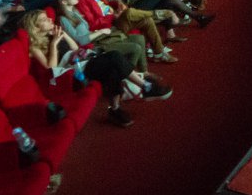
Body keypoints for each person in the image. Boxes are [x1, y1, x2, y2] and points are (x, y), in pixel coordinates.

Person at [24, 9, 166, 129]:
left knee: (112, 70)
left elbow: (75, 48)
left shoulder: (55, 33)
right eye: (44, 19)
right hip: (70, 73)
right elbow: (52, 68)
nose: (49, 19)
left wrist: (63, 35)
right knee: (114, 57)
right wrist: (54, 44)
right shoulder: (35, 47)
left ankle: (114, 110)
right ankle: (145, 86)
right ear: (35, 27)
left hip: (80, 61)